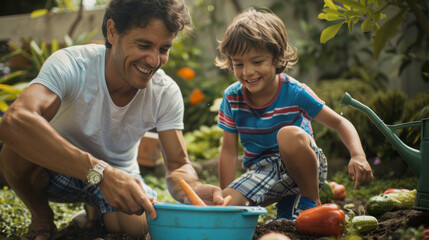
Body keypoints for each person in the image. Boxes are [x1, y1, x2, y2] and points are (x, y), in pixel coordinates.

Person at [0, 0, 225, 239]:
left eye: (163, 49)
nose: (154, 61)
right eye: (144, 45)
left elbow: (179, 165)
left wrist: (195, 189)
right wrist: (101, 172)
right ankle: (42, 216)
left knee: (141, 228)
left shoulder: (165, 91)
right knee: (16, 150)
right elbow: (15, 122)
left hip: (121, 179)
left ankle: (94, 214)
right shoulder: (73, 64)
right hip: (57, 169)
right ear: (112, 31)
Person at [214, 8, 373, 221]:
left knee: (288, 134)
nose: (247, 72)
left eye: (257, 62)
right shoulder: (232, 97)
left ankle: (311, 200)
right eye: (238, 64)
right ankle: (290, 204)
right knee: (231, 204)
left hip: (304, 166)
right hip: (262, 172)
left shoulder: (295, 92)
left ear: (277, 59)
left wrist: (358, 155)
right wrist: (226, 199)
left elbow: (340, 123)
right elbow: (229, 152)